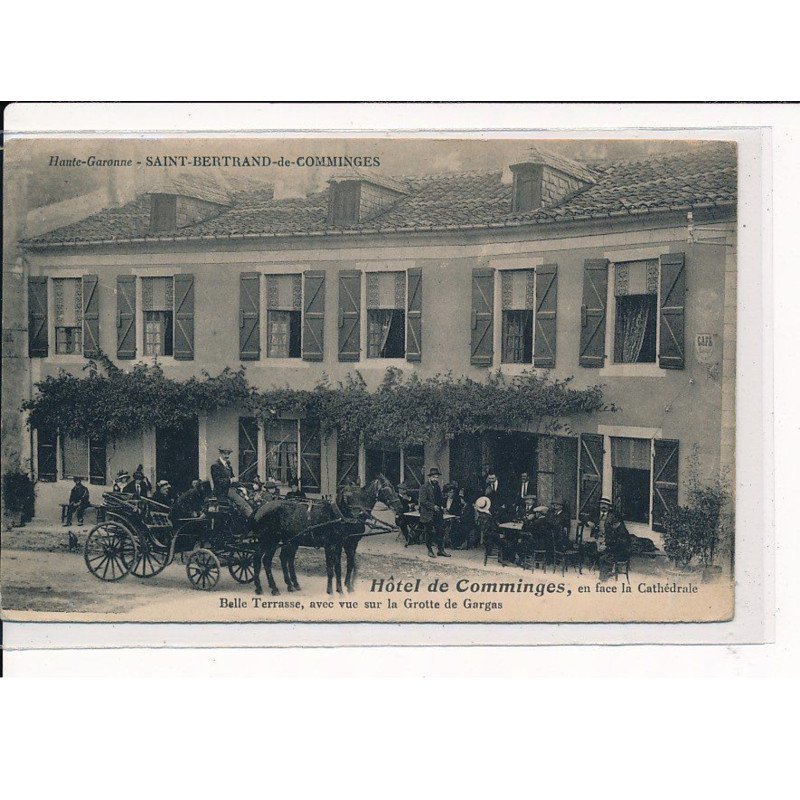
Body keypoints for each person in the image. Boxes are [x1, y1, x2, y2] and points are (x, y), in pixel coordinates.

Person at [587, 497, 631, 581]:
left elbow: (618, 540)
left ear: (609, 507)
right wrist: (588, 522)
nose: (603, 506)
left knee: (604, 556)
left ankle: (604, 577)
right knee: (589, 547)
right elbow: (584, 518)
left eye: (606, 505)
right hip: (601, 540)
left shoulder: (615, 519)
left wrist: (606, 545)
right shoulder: (596, 514)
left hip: (614, 546)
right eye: (602, 504)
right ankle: (596, 569)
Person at [210, 447, 254, 524]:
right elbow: (218, 482)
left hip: (230, 489)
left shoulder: (228, 465)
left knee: (248, 498)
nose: (227, 456)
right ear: (220, 453)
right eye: (225, 453)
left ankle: (244, 522)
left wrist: (240, 487)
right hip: (222, 492)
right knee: (243, 504)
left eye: (228, 454)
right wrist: (231, 480)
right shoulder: (215, 465)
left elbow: (233, 479)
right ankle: (253, 522)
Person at [418, 467, 450, 558]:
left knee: (440, 532)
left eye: (437, 477)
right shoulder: (424, 487)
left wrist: (442, 506)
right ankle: (430, 550)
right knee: (429, 533)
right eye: (434, 477)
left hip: (438, 513)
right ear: (430, 477)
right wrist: (433, 506)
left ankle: (441, 550)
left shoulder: (437, 487)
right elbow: (422, 501)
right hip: (428, 514)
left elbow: (439, 499)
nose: (435, 479)